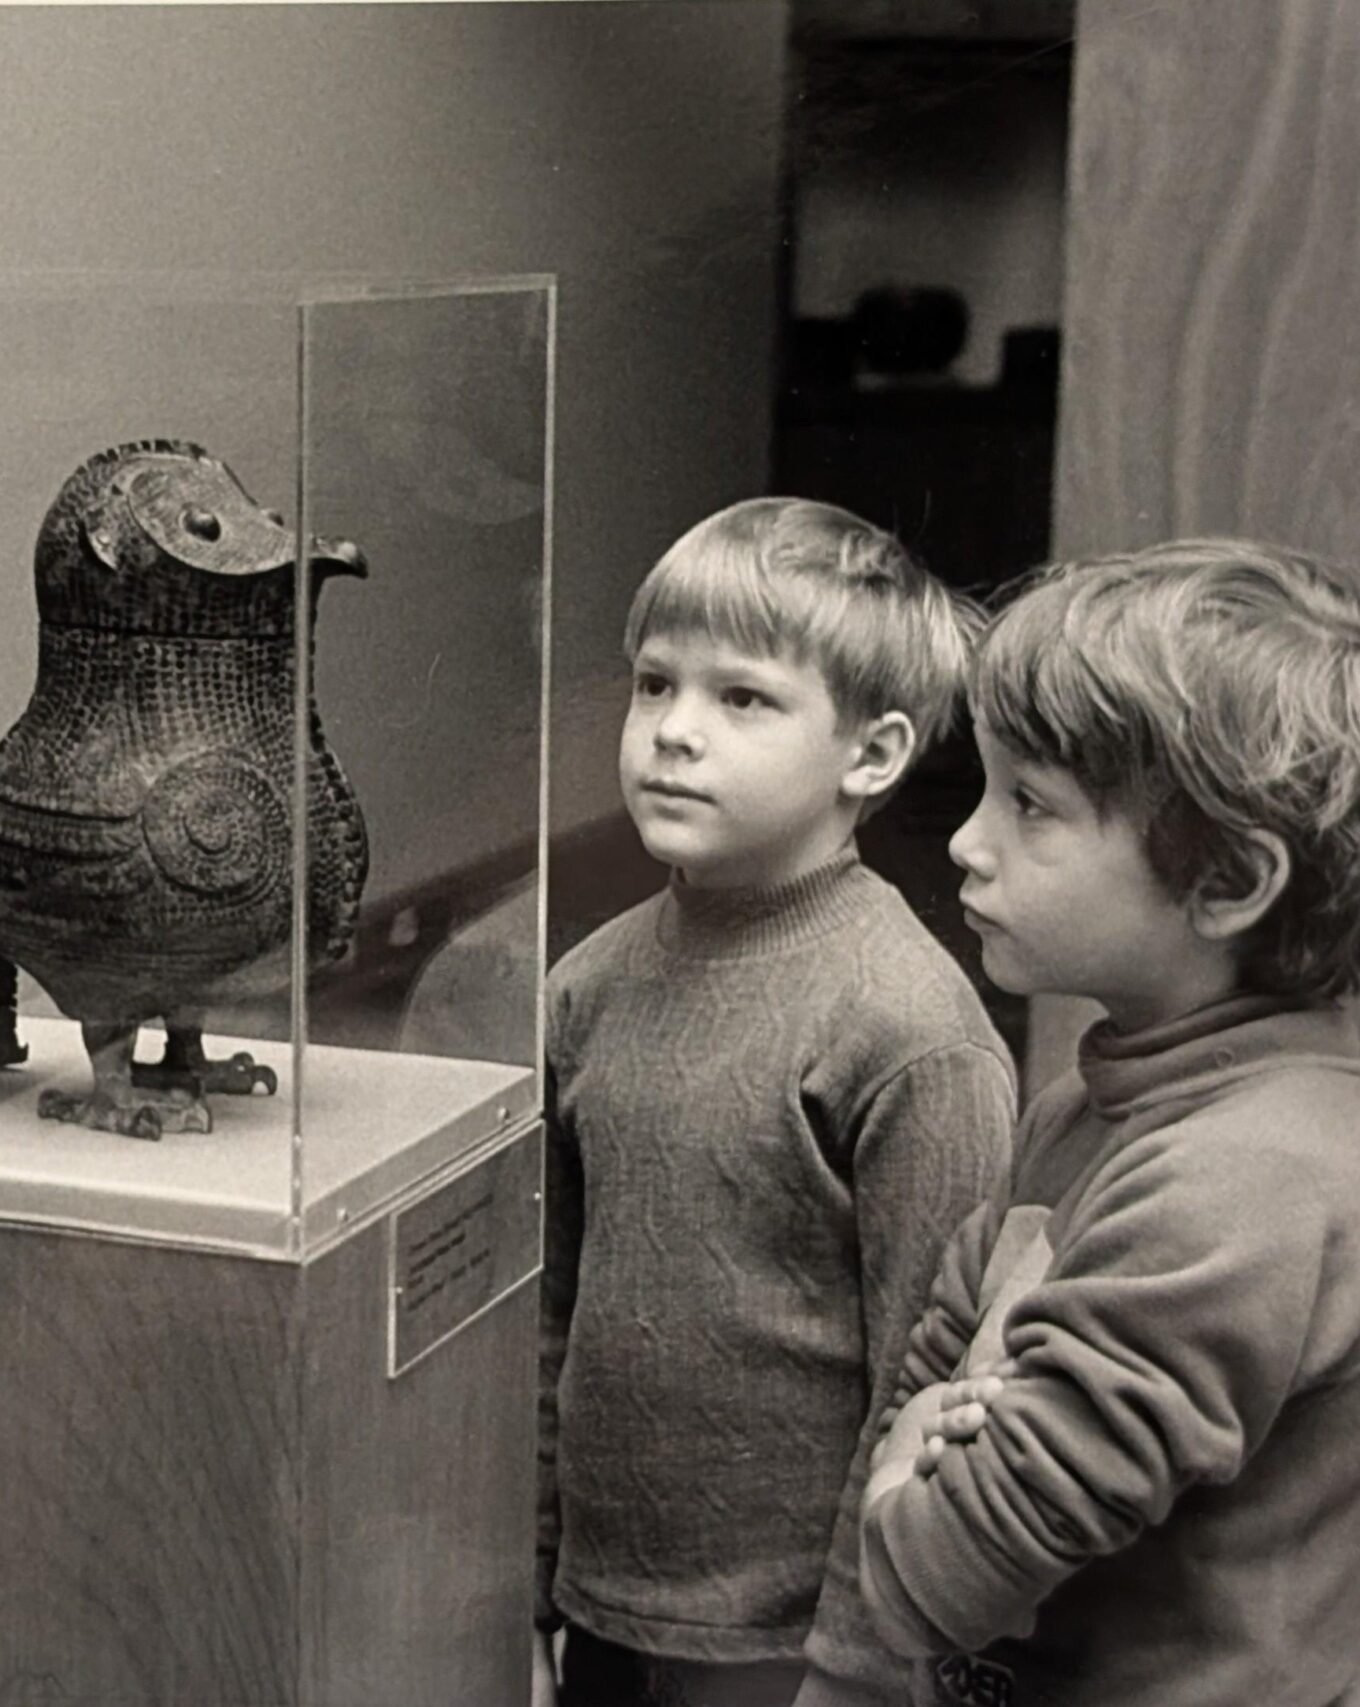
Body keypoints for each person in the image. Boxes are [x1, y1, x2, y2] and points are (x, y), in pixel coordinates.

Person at [858, 540, 1360, 1707]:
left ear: (1228, 880)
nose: (963, 843)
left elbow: (935, 1575)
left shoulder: (1246, 1190)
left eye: (1029, 805)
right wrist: (927, 1435)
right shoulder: (1084, 1112)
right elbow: (929, 1374)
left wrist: (916, 1458)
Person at [537, 498, 1019, 1707]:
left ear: (871, 754)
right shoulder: (585, 986)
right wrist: (526, 1581)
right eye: (655, 685)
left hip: (793, 1645)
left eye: (741, 698)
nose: (672, 733)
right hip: (600, 1608)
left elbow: (931, 1384)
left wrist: (856, 1665)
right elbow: (547, 1313)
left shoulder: (908, 1029)